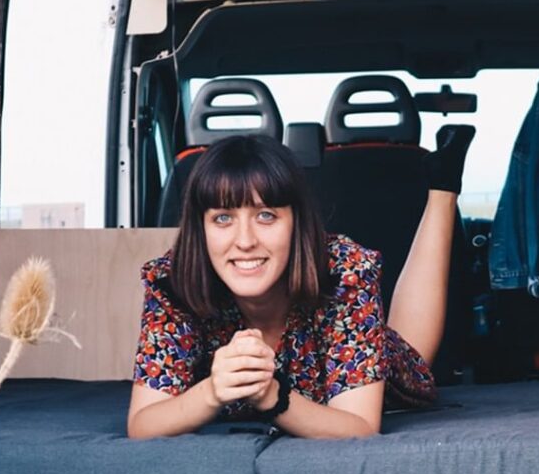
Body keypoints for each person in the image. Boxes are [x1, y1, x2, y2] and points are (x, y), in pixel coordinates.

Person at [127, 129, 473, 440]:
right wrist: (213, 391)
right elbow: (143, 423)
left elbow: (361, 427)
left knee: (407, 354)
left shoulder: (343, 271)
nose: (244, 241)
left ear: (296, 223)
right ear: (199, 230)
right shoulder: (171, 282)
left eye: (266, 216)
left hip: (360, 360)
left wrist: (272, 397)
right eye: (222, 218)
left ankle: (442, 189)